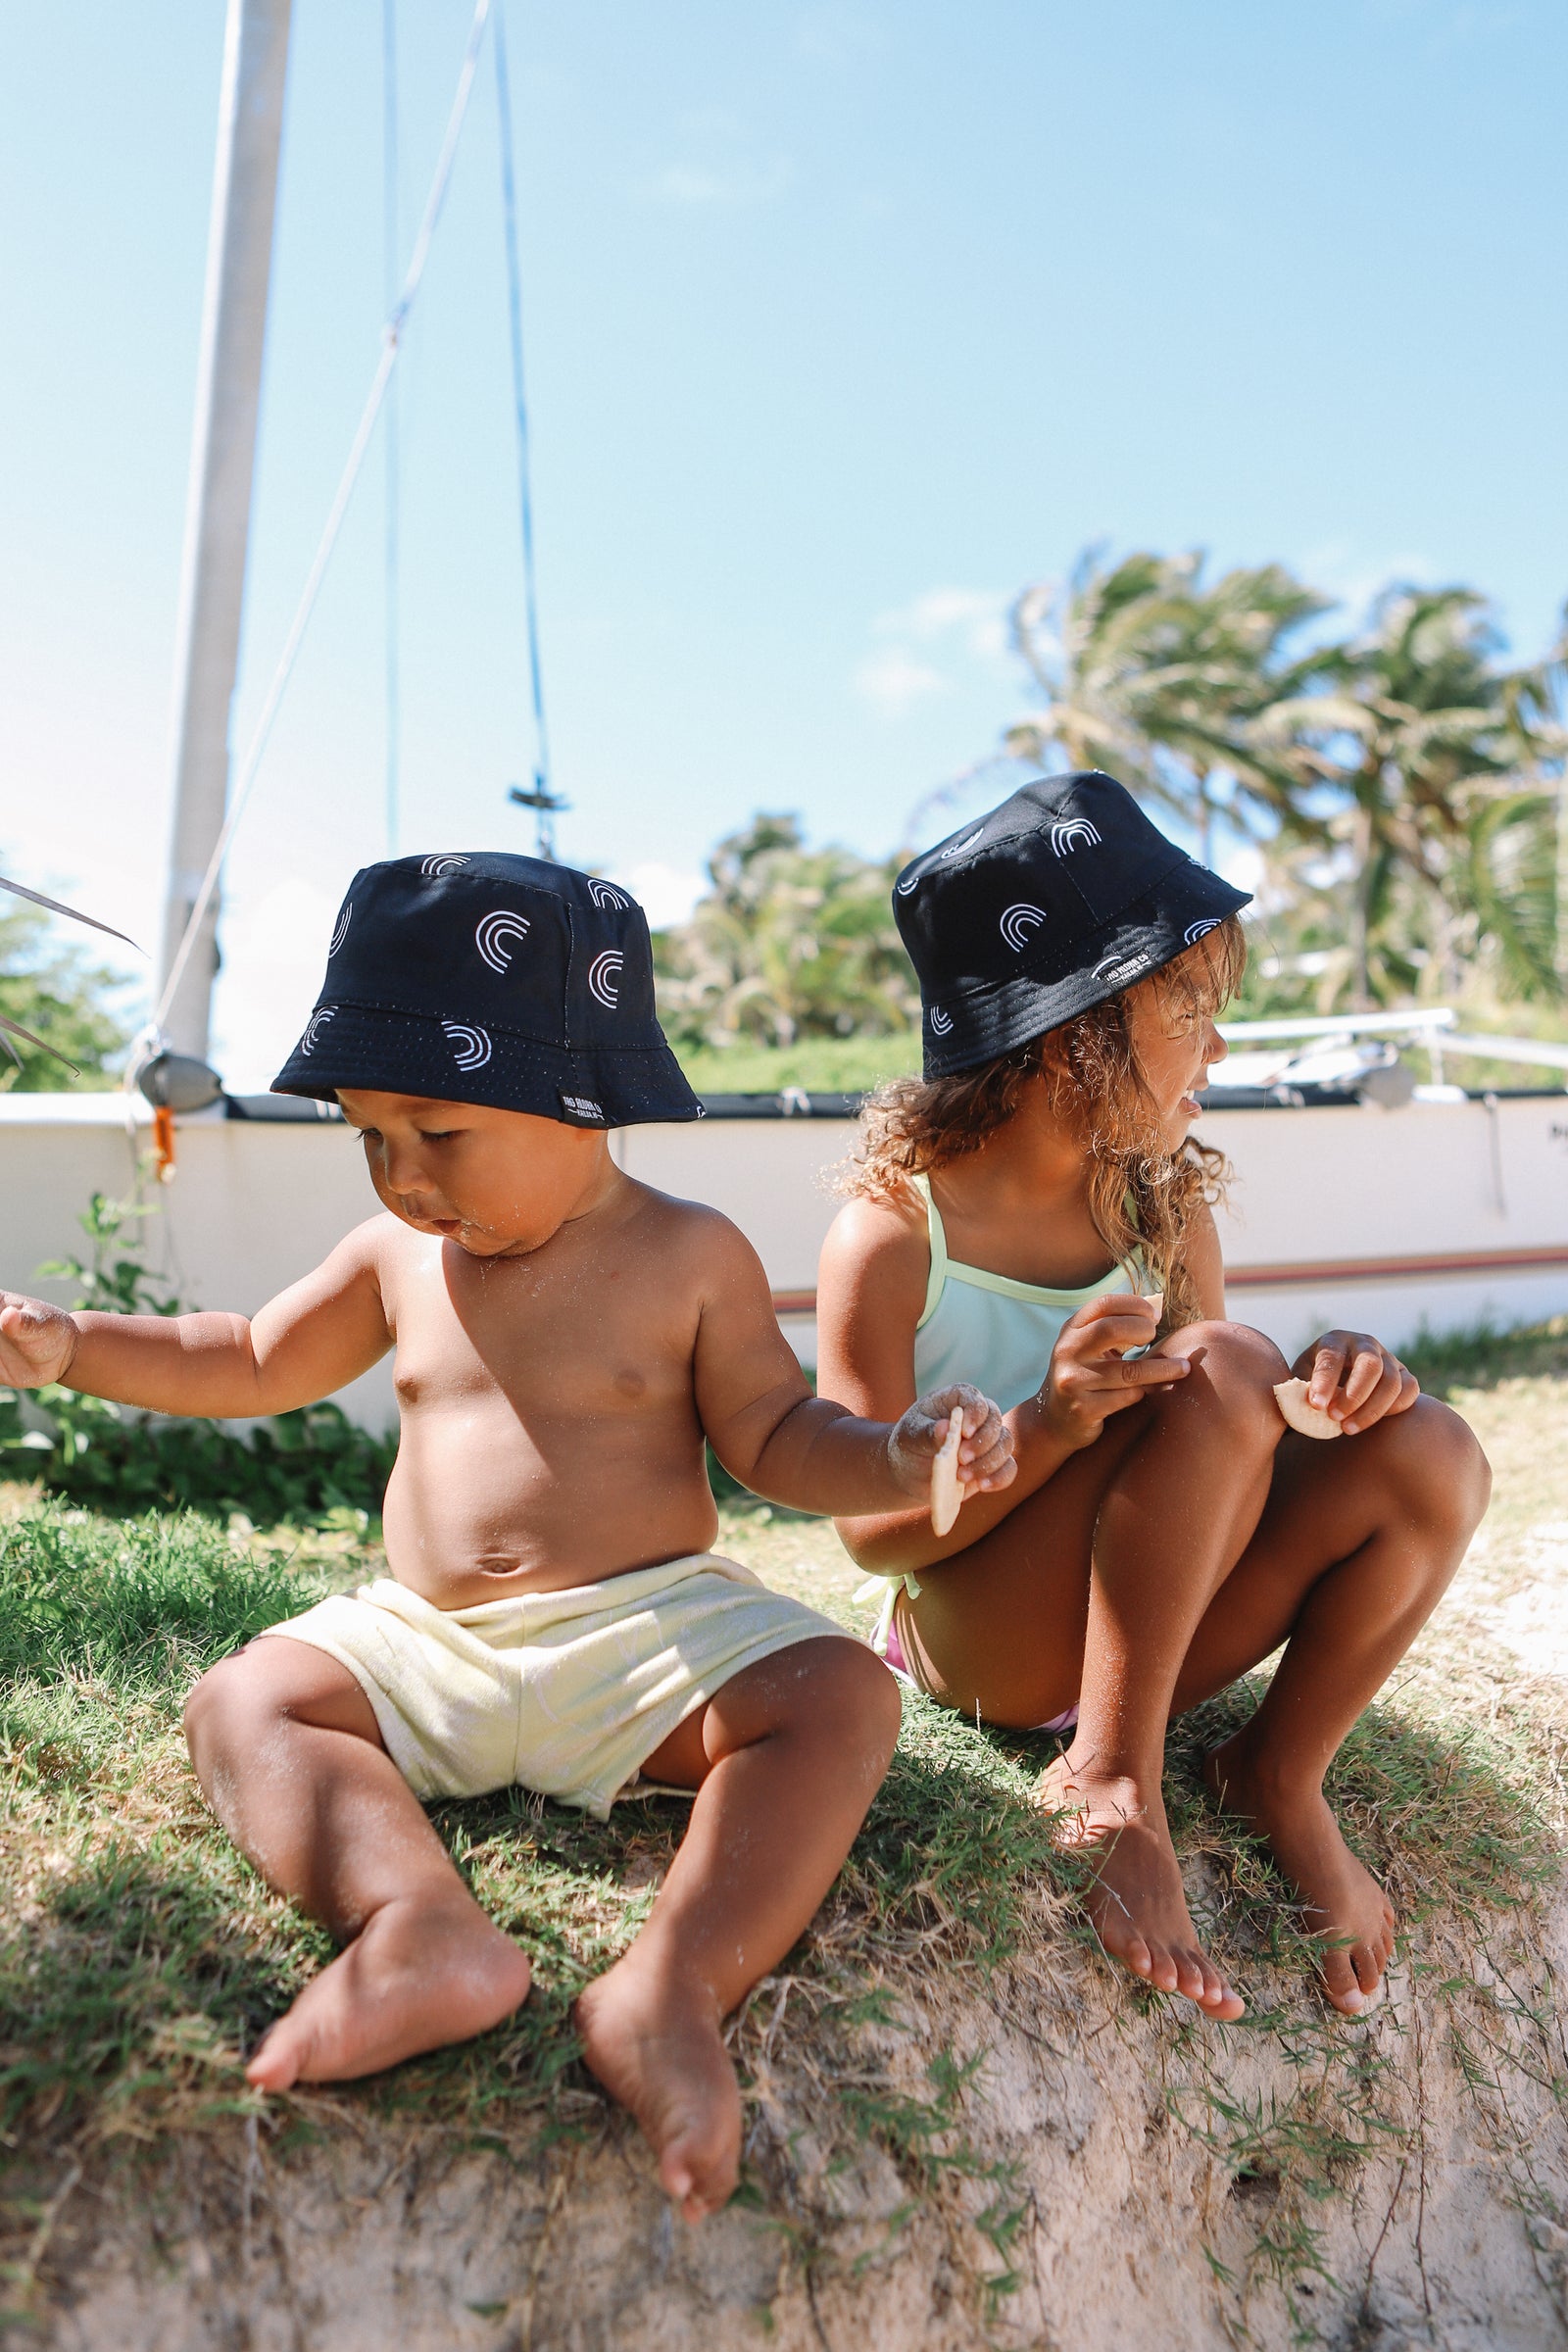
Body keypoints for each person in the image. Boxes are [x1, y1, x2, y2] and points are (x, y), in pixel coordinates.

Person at [0, 852, 1014, 2223]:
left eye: (441, 1133)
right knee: (247, 1698)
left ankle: (671, 1991)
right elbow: (241, 1356)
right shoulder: (393, 1254)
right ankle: (415, 1928)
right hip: (423, 1643)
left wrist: (894, 1452)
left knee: (836, 1695)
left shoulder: (687, 1254)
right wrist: (73, 1349)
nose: (404, 1176)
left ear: (580, 1102)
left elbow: (777, 1437)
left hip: (643, 1637)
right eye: (370, 1136)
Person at [816, 772, 1491, 2023]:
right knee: (1223, 1357)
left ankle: (1274, 1773)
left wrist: (1335, 1380)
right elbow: (871, 1534)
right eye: (1189, 1006)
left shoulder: (1159, 1205)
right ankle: (1109, 1782)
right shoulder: (895, 1235)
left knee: (1432, 1451)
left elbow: (1225, 1422)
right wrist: (1047, 1424)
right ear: (1074, 1031)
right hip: (989, 1647)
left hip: (1151, 1626)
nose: (1219, 1045)